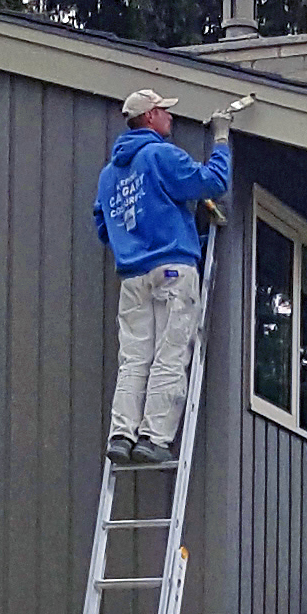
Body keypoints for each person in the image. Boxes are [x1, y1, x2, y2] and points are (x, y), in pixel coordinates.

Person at [94, 87, 233, 467]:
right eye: (164, 111)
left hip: (133, 277)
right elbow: (212, 182)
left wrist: (136, 240)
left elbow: (104, 227)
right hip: (172, 269)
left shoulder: (110, 176)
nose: (170, 117)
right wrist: (221, 138)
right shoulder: (160, 155)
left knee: (135, 359)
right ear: (150, 117)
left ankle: (122, 434)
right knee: (170, 355)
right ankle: (154, 438)